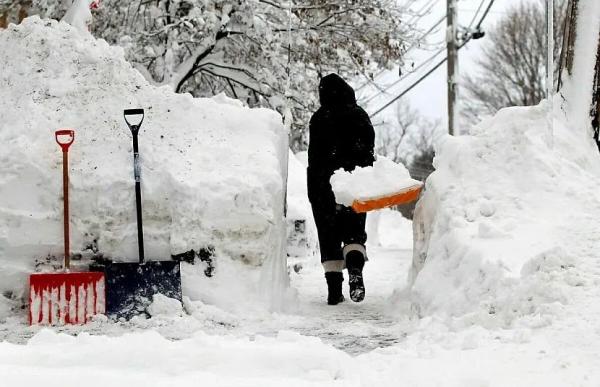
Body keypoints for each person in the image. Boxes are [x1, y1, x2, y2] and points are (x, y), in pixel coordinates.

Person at [307, 73, 375, 305]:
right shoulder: (359, 115)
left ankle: (334, 291)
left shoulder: (318, 118)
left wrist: (316, 187)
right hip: (354, 184)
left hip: (324, 186)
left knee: (329, 236)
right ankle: (355, 271)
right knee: (354, 232)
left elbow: (314, 157)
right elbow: (368, 151)